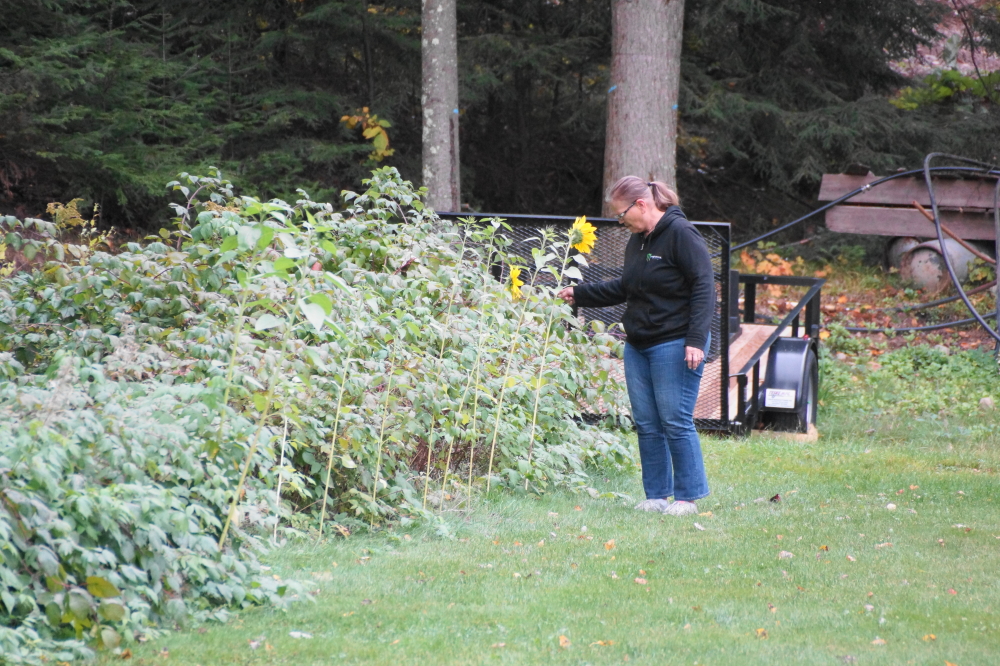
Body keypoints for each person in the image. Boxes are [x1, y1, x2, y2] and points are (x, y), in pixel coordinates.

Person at [557, 176, 715, 516]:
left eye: (621, 214)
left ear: (641, 204)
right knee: (646, 422)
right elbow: (627, 286)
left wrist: (695, 340)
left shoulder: (681, 234)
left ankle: (687, 498)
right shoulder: (638, 240)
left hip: (676, 341)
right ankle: (657, 495)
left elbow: (704, 286)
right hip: (639, 344)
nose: (620, 221)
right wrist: (579, 293)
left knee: (675, 419)